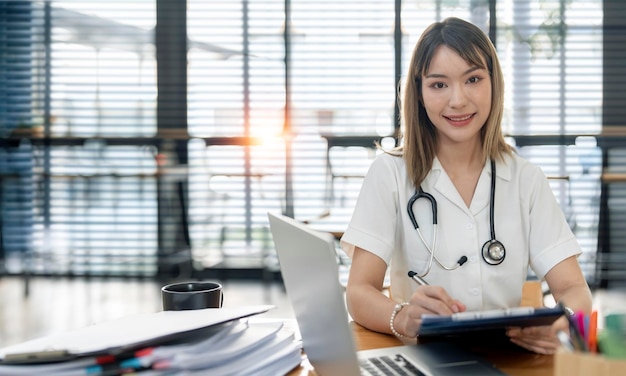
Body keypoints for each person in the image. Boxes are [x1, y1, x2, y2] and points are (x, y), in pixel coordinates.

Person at [340, 17, 592, 355]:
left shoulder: (525, 180)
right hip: (423, 358)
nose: (458, 100)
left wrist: (564, 322)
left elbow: (574, 288)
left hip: (508, 360)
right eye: (439, 84)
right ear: (419, 92)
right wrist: (401, 317)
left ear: (493, 83)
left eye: (473, 79)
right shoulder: (389, 174)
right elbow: (359, 291)